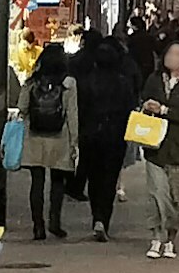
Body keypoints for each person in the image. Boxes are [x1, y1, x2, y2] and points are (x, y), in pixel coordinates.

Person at [137, 36, 179, 259]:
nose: (171, 57)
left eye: (177, 54)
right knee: (156, 194)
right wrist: (147, 105)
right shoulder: (154, 80)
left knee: (177, 197)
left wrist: (164, 110)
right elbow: (143, 101)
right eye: (169, 53)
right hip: (155, 146)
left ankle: (171, 239)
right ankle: (156, 236)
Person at [75, 31, 138, 241]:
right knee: (109, 180)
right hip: (115, 136)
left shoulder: (85, 82)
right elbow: (130, 109)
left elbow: (80, 110)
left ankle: (96, 218)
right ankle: (104, 219)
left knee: (94, 179)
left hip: (91, 135)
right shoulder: (123, 83)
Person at [19, 39, 83, 239]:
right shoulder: (68, 83)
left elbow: (21, 107)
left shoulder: (32, 81)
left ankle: (38, 225)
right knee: (57, 181)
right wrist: (74, 142)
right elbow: (72, 114)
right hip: (60, 136)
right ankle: (55, 222)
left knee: (36, 182)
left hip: (35, 136)